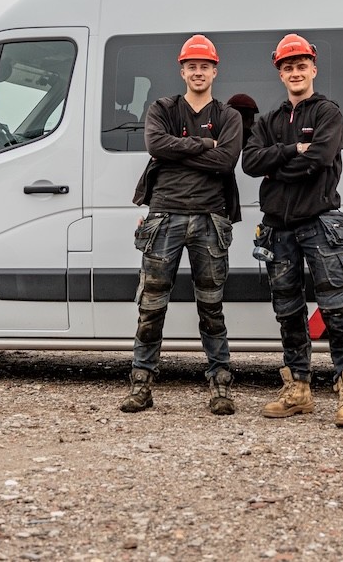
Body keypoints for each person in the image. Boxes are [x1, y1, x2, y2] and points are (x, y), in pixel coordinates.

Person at [241, 33, 343, 428]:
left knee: (335, 308)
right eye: (287, 67)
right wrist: (293, 151)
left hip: (319, 223)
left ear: (313, 68)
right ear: (280, 74)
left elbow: (321, 159)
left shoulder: (328, 112)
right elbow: (250, 162)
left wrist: (276, 165)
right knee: (288, 310)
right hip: (278, 229)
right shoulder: (269, 121)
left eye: (300, 65)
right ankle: (299, 389)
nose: (294, 72)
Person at [126, 34, 243, 415]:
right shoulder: (162, 107)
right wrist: (205, 145)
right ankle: (141, 386)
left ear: (215, 70)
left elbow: (226, 162)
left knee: (212, 307)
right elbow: (156, 146)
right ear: (182, 70)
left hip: (211, 219)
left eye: (204, 66)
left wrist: (185, 149)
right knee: (151, 306)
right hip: (164, 218)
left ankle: (220, 387)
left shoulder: (229, 116)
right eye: (191, 66)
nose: (198, 72)